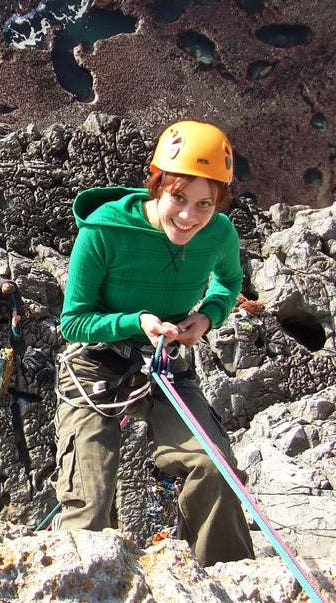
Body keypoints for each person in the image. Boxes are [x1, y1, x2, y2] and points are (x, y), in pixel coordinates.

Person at [52, 120, 254, 566]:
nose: (188, 217)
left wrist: (208, 316)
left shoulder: (218, 233)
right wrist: (135, 321)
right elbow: (74, 322)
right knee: (89, 505)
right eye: (178, 198)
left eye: (205, 204)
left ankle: (224, 580)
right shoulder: (104, 232)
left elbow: (230, 281)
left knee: (215, 468)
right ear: (157, 185)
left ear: (218, 204)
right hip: (96, 367)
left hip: (165, 364)